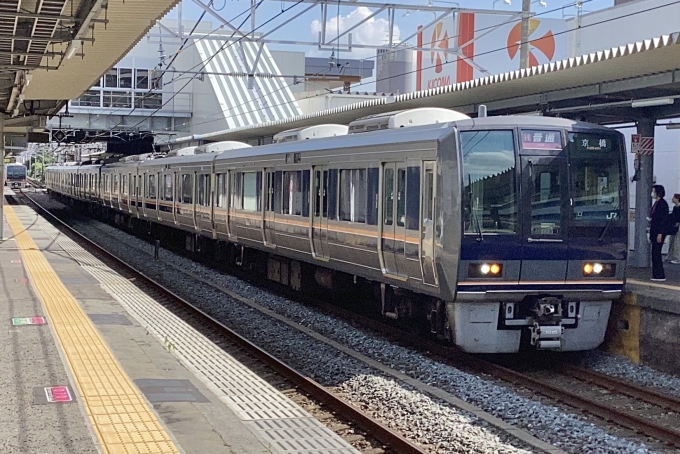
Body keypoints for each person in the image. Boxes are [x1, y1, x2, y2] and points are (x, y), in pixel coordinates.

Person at [649, 184, 670, 281]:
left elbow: (664, 220)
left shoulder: (662, 204)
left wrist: (661, 233)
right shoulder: (657, 203)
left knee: (656, 253)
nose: (652, 193)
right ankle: (656, 274)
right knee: (654, 253)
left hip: (658, 232)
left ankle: (659, 274)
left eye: (653, 191)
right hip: (655, 231)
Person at [667, 193, 680, 264]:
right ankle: (670, 256)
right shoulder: (675, 207)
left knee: (677, 242)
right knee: (672, 240)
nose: (672, 199)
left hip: (678, 225)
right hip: (674, 225)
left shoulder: (678, 207)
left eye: (674, 197)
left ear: (677, 199)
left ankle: (677, 258)